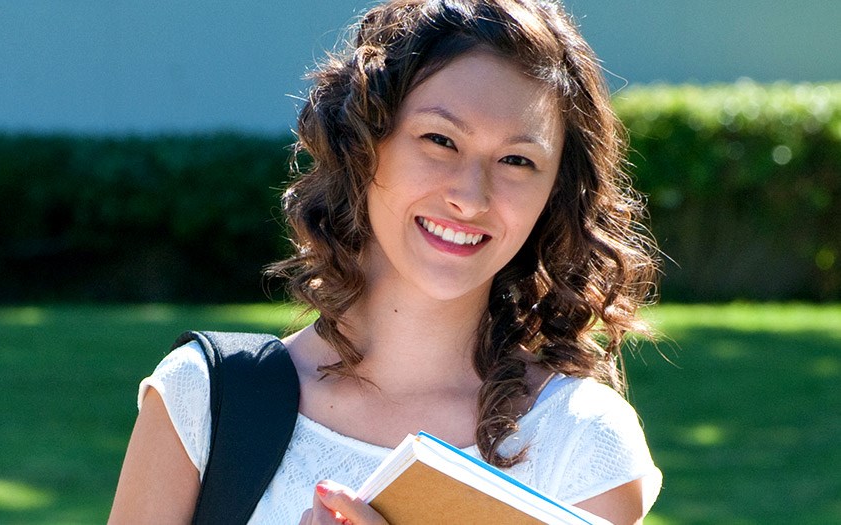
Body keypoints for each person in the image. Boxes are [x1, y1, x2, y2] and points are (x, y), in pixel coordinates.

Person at [108, 0, 663, 523]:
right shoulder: (204, 401)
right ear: (363, 146)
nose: (471, 197)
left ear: (554, 194)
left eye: (517, 160)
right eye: (440, 140)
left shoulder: (581, 440)